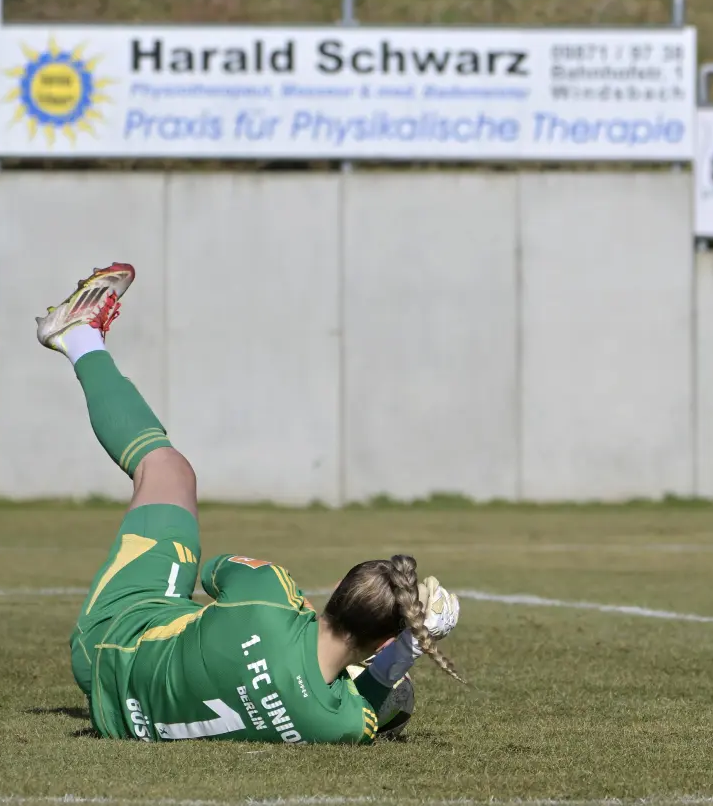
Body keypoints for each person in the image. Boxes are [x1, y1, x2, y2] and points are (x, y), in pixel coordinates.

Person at [49, 263, 464, 743]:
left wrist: (287, 623)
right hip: (122, 706)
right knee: (397, 696)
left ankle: (79, 335)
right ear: (379, 644)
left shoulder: (270, 593)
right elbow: (372, 701)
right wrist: (407, 647)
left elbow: (216, 572)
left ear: (337, 591)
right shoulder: (338, 724)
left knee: (168, 472)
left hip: (110, 637)